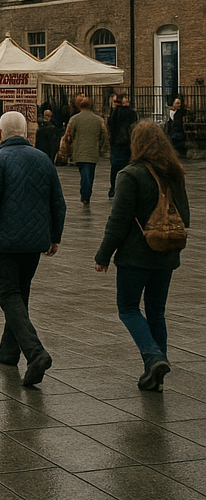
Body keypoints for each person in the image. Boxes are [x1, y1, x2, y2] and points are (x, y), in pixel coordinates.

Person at [0, 111, 66, 387]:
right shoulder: (43, 159)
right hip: (35, 242)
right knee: (20, 294)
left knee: (9, 295)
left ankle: (36, 353)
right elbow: (58, 202)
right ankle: (9, 351)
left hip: (5, 242)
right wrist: (54, 236)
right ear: (26, 133)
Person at [94, 120, 191, 391]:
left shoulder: (131, 174)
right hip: (167, 254)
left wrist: (103, 255)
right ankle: (156, 375)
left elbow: (119, 220)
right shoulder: (175, 173)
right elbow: (185, 216)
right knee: (156, 311)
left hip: (135, 256)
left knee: (128, 308)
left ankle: (153, 356)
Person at [63, 95, 109, 205]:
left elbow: (68, 136)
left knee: (84, 173)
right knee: (89, 174)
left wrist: (68, 149)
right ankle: (86, 194)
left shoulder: (74, 119)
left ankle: (85, 194)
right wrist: (102, 149)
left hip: (79, 151)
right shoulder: (99, 120)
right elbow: (105, 136)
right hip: (92, 152)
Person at [106, 92, 138, 197]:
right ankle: (126, 187)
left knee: (115, 167)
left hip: (116, 143)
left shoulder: (115, 112)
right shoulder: (131, 113)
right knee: (127, 165)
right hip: (127, 142)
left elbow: (110, 125)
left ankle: (113, 188)